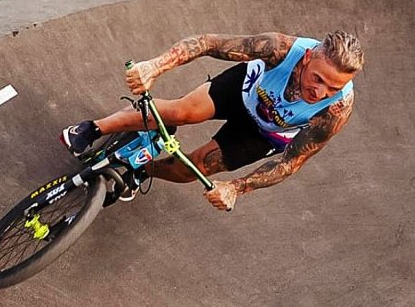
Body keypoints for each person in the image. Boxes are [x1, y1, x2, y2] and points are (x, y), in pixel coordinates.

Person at [58, 31, 362, 212]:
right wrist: (154, 67)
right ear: (307, 57)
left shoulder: (335, 110)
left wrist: (237, 188)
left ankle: (139, 171)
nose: (319, 91)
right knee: (182, 112)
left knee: (197, 168)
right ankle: (93, 127)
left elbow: (291, 162)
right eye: (318, 79)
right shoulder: (280, 49)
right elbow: (206, 42)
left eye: (332, 88)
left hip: (268, 132)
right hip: (246, 90)